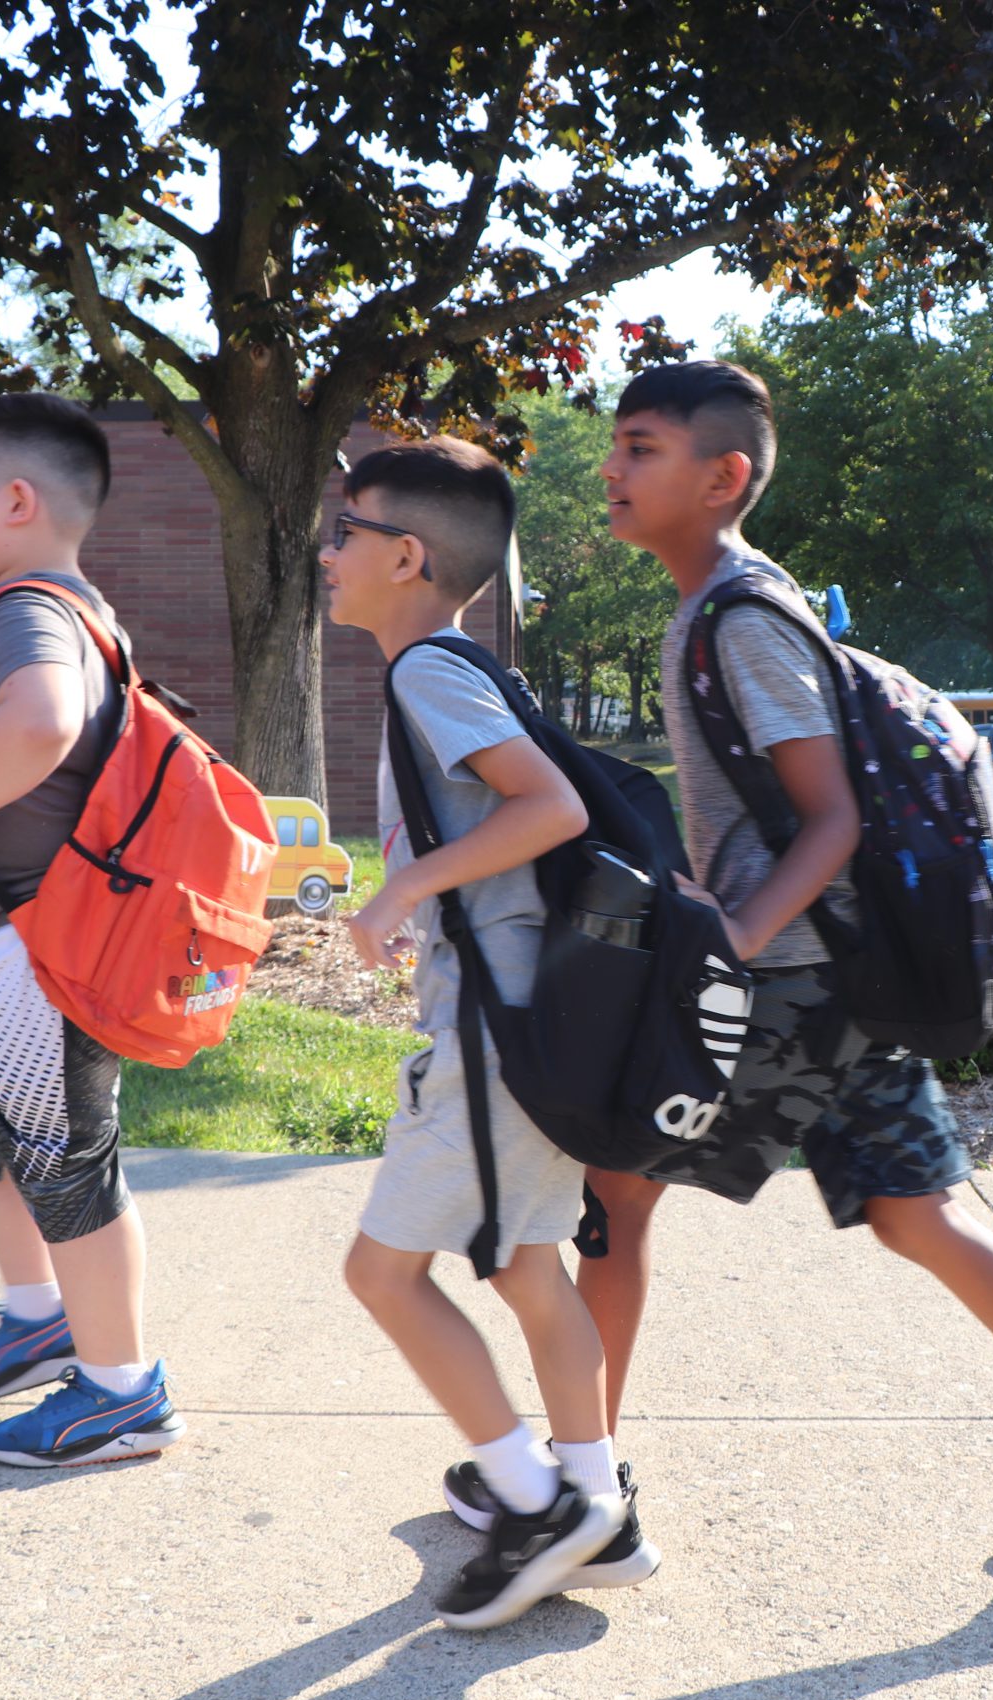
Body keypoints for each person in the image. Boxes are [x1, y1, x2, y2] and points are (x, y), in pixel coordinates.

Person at [547, 358, 993, 1567]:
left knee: (616, 1185)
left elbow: (830, 820)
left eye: (639, 447)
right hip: (828, 977)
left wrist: (725, 946)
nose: (610, 466)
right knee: (915, 1214)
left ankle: (583, 1495)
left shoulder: (740, 620)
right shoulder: (731, 604)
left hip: (792, 980)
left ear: (723, 476)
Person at [326, 437, 632, 1630]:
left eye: (344, 534)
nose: (328, 556)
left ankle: (533, 1498)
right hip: (527, 1015)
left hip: (494, 1031)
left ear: (406, 556)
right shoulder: (451, 668)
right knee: (524, 1268)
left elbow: (547, 809)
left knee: (383, 1273)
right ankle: (597, 1504)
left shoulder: (426, 675)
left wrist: (405, 889)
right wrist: (431, 891)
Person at [0, 393, 184, 1468]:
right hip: (5, 947)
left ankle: (121, 1393)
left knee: (63, 1163)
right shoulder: (71, 606)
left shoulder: (27, 608)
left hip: (37, 952)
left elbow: (43, 720)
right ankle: (41, 1317)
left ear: (18, 501)